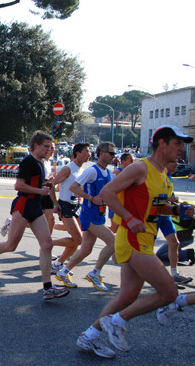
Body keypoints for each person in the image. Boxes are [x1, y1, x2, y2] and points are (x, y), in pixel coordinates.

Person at [76, 124, 191, 358]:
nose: (181, 149)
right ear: (162, 144)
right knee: (169, 293)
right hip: (132, 238)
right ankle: (116, 321)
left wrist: (179, 210)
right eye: (178, 144)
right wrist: (128, 217)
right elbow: (107, 193)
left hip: (145, 237)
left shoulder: (161, 174)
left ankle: (88, 337)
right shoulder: (141, 168)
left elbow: (157, 208)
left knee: (128, 296)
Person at [0, 131, 70, 301]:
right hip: (23, 206)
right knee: (11, 246)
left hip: (35, 206)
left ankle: (47, 287)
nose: (49, 149)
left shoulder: (40, 162)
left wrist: (46, 186)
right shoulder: (28, 161)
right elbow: (19, 185)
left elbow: (36, 184)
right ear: (36, 145)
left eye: (50, 146)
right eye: (46, 146)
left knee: (47, 244)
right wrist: (40, 190)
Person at [55, 142, 116, 292]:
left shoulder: (108, 172)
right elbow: (73, 187)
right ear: (102, 153)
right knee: (113, 242)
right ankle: (95, 273)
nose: (113, 157)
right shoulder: (91, 171)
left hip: (100, 215)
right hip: (89, 215)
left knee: (85, 250)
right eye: (111, 153)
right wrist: (90, 198)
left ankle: (63, 272)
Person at [49, 143, 90, 274]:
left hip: (76, 207)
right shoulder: (68, 169)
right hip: (65, 206)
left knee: (77, 240)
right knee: (78, 239)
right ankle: (49, 243)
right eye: (86, 152)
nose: (89, 154)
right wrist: (55, 204)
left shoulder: (82, 170)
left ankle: (58, 264)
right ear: (77, 153)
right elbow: (51, 184)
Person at [154, 160, 193, 284]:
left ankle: (175, 274)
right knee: (146, 248)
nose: (176, 165)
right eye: (173, 163)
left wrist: (180, 204)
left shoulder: (169, 177)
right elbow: (151, 198)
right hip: (154, 216)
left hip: (165, 217)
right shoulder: (157, 176)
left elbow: (172, 198)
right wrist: (168, 199)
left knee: (174, 243)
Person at [109, 152, 135, 233]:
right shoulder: (116, 173)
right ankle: (95, 229)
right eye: (131, 160)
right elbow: (109, 190)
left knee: (119, 228)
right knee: (114, 228)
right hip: (115, 204)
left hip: (125, 206)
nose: (133, 162)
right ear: (123, 162)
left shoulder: (131, 173)